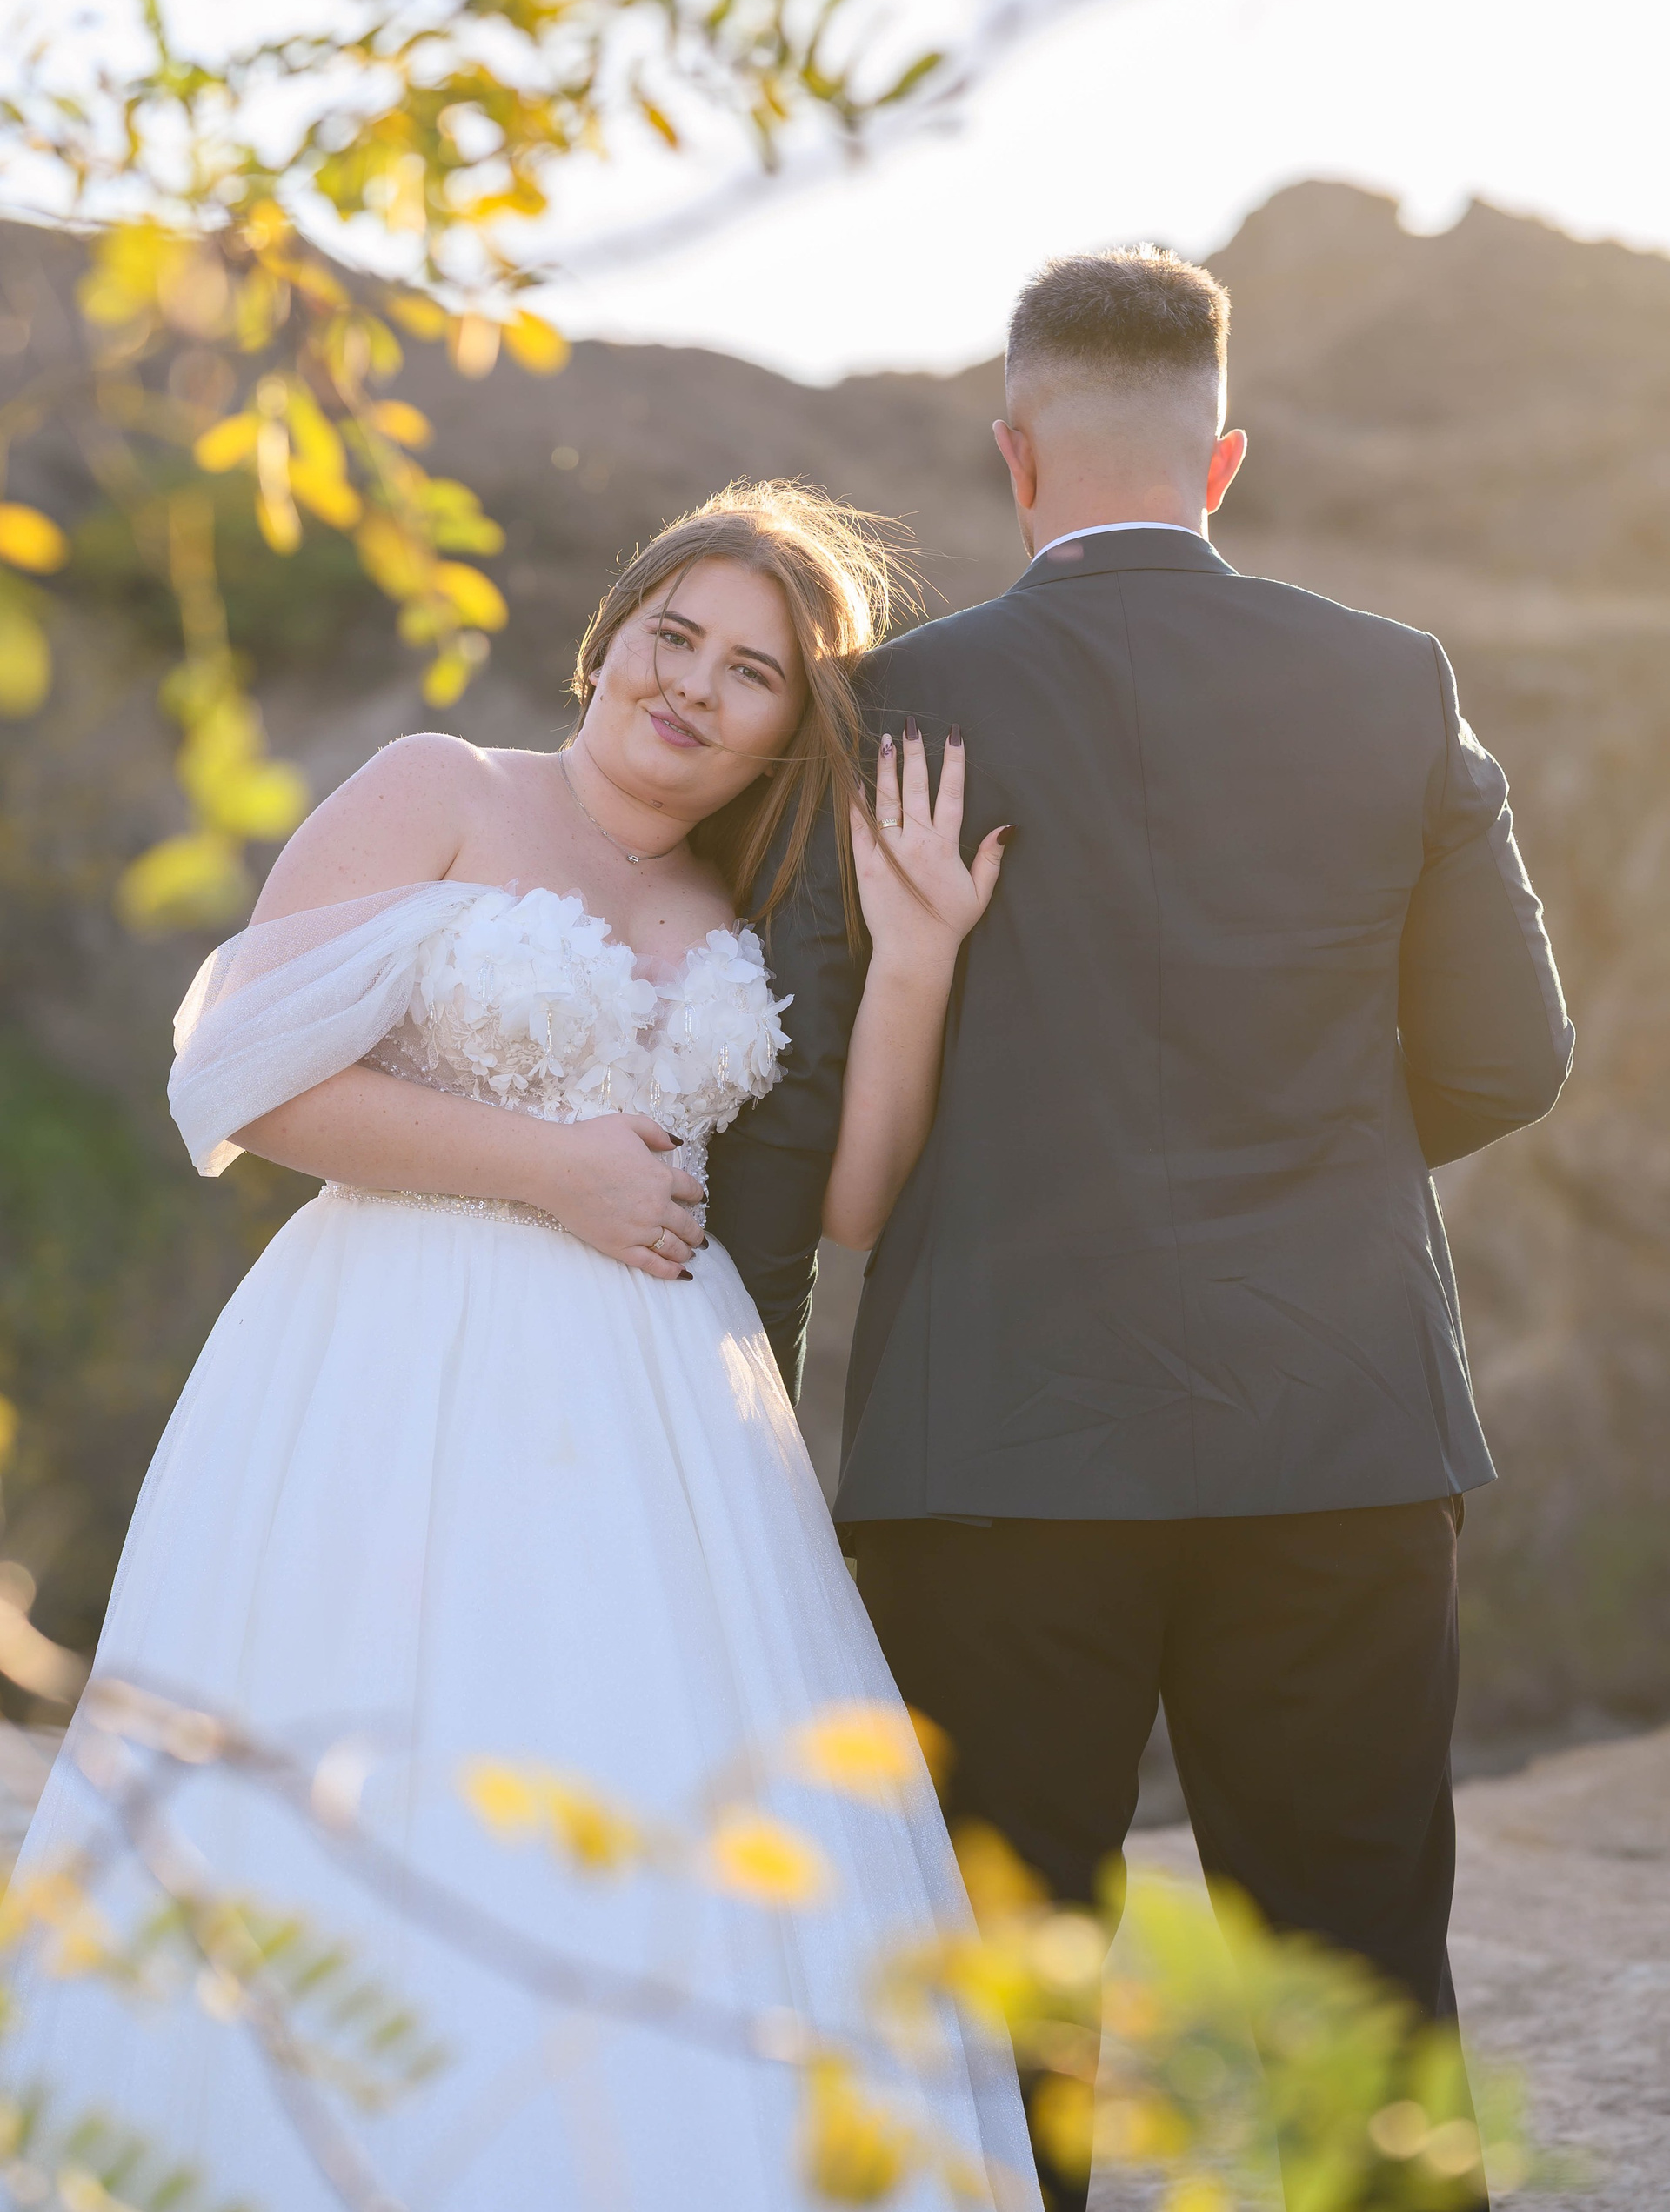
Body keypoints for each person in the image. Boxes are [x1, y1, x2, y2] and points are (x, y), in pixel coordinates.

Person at [3, 484, 1038, 2209]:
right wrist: (548, 1167)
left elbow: (856, 1198)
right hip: (394, 1358)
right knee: (376, 1749)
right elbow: (242, 1079)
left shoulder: (744, 904)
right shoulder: (443, 789)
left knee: (644, 1777)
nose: (693, 683)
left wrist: (919, 954)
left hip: (667, 1421)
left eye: (753, 673)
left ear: (788, 728)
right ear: (607, 640)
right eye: (673, 635)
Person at [706, 250, 1575, 2212]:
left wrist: (736, 1433)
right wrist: (1319, 1175)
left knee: (1001, 2018)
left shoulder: (890, 711)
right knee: (1357, 1984)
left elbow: (786, 1124)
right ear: (1224, 456)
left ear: (1015, 455)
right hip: (1341, 1433)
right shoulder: (1395, 682)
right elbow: (1513, 1057)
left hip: (990, 1458)